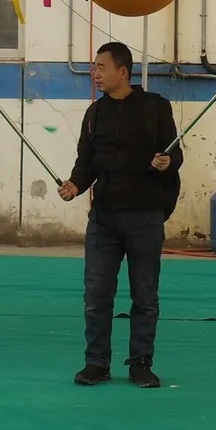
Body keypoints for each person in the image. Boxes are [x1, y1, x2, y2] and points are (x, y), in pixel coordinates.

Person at [59, 41, 182, 388]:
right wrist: (75, 185)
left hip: (145, 218)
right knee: (97, 294)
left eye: (101, 67)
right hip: (104, 220)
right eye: (94, 67)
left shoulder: (155, 108)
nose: (95, 73)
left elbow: (176, 154)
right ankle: (96, 362)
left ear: (122, 72)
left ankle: (140, 363)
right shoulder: (94, 114)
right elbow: (86, 163)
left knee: (145, 295)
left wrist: (166, 161)